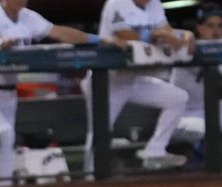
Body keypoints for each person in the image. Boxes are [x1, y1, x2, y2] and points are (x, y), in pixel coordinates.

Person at [0, 0, 122, 187]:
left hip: (9, 93)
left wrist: (97, 39)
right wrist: (0, 43)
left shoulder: (27, 17)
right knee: (4, 134)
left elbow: (58, 32)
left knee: (8, 140)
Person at [82, 0, 195, 173]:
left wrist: (184, 34)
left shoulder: (154, 3)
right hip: (108, 79)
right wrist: (156, 35)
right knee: (100, 131)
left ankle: (155, 150)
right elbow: (124, 36)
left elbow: (167, 32)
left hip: (134, 78)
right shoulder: (116, 3)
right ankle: (90, 176)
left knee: (177, 98)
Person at [168, 2, 222, 155]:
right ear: (200, 28)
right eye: (210, 25)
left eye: (220, 25)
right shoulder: (187, 48)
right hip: (184, 117)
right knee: (207, 129)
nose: (216, 31)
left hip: (213, 113)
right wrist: (185, 34)